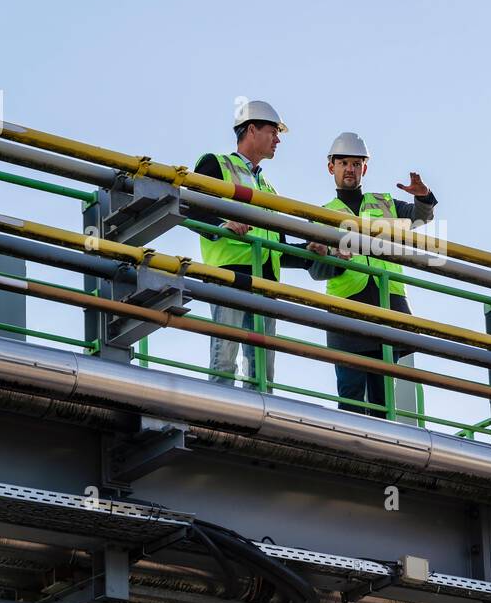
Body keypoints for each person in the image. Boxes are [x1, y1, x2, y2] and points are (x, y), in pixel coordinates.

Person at [307, 132, 437, 416]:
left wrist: (424, 198)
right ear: (332, 167)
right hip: (347, 311)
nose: (350, 169)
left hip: (387, 305)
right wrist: (335, 259)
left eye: (356, 163)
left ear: (365, 168)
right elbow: (316, 270)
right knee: (351, 396)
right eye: (343, 163)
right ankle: (351, 451)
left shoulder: (385, 204)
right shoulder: (322, 214)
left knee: (382, 399)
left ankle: (381, 451)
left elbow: (421, 217)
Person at [185, 101, 307, 388]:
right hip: (231, 274)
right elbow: (192, 207)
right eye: (274, 132)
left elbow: (279, 245)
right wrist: (221, 226)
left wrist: (309, 252)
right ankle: (218, 423)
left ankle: (255, 425)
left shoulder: (268, 189)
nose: (278, 139)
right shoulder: (217, 164)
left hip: (266, 283)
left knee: (263, 372)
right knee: (224, 361)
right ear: (252, 129)